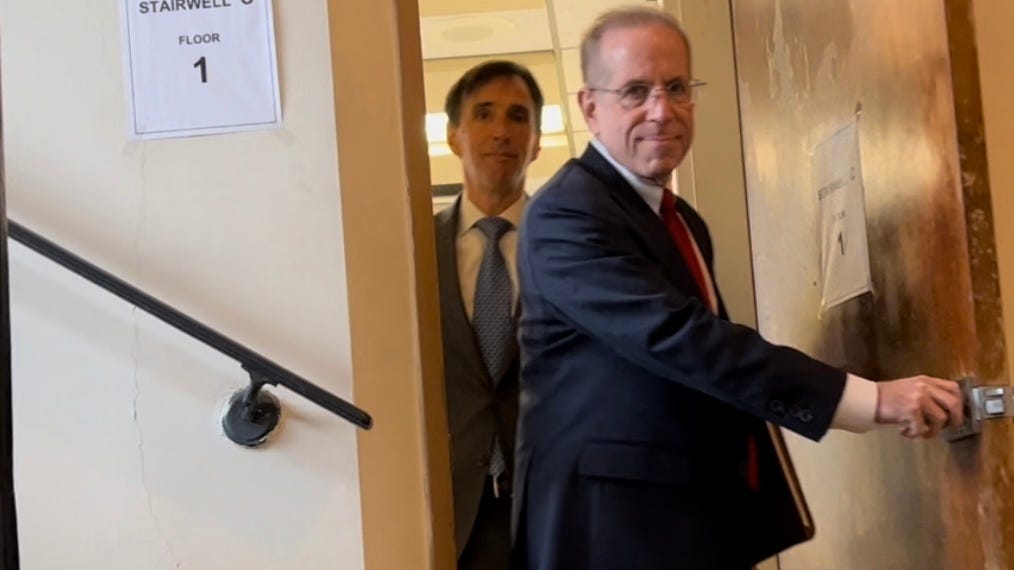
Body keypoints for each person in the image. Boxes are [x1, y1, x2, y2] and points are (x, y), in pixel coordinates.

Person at [511, 7, 963, 569]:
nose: (662, 111)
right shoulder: (565, 214)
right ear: (589, 108)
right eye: (635, 91)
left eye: (677, 87)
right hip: (609, 533)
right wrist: (872, 401)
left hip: (682, 522)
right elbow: (682, 339)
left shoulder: (680, 220)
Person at [433, 60, 542, 569]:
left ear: (536, 142)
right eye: (484, 114)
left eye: (518, 117)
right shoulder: (415, 250)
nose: (501, 131)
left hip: (556, 507)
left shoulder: (574, 244)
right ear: (454, 136)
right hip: (454, 514)